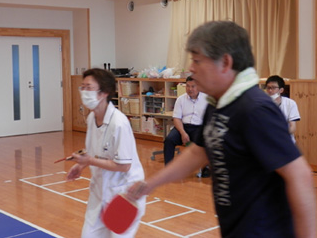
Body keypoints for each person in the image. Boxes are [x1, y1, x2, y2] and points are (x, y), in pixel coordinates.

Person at [127, 21, 316, 238]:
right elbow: (199, 151)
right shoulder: (217, 105)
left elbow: (299, 175)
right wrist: (151, 183)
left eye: (198, 60)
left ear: (225, 62)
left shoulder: (255, 109)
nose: (191, 68)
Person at [67, 68, 145, 237]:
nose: (83, 92)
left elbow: (124, 166)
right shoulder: (91, 118)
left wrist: (89, 161)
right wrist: (81, 165)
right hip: (99, 191)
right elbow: (94, 151)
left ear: (104, 93)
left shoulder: (119, 124)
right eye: (82, 87)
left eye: (88, 87)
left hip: (124, 194)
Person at [164, 76, 210, 177]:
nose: (190, 89)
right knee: (169, 139)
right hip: (182, 127)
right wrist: (182, 132)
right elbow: (176, 118)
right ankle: (169, 169)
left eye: (193, 86)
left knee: (207, 141)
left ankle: (206, 167)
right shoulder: (181, 99)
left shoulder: (206, 99)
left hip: (199, 127)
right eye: (188, 86)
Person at [265, 75, 300, 142]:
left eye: (273, 88)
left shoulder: (290, 103)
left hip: (285, 140)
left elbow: (292, 127)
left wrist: (278, 133)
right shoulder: (262, 103)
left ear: (281, 90)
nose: (270, 90)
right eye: (268, 88)